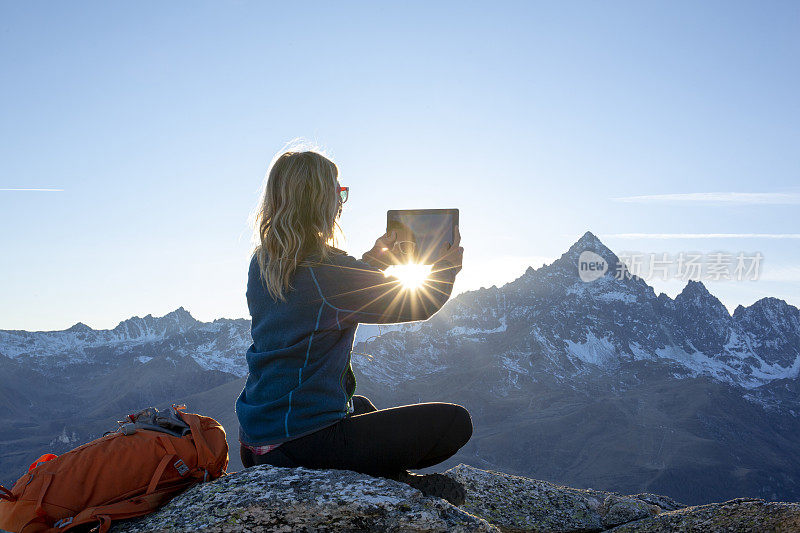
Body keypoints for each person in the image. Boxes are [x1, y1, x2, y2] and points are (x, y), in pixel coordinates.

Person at [235, 149, 471, 505]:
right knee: (455, 423)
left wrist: (374, 261)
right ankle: (397, 486)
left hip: (258, 444)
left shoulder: (266, 262)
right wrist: (446, 268)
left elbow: (327, 293)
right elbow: (419, 304)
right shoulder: (324, 272)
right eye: (337, 192)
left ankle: (391, 480)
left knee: (358, 404)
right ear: (319, 201)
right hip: (305, 445)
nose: (341, 202)